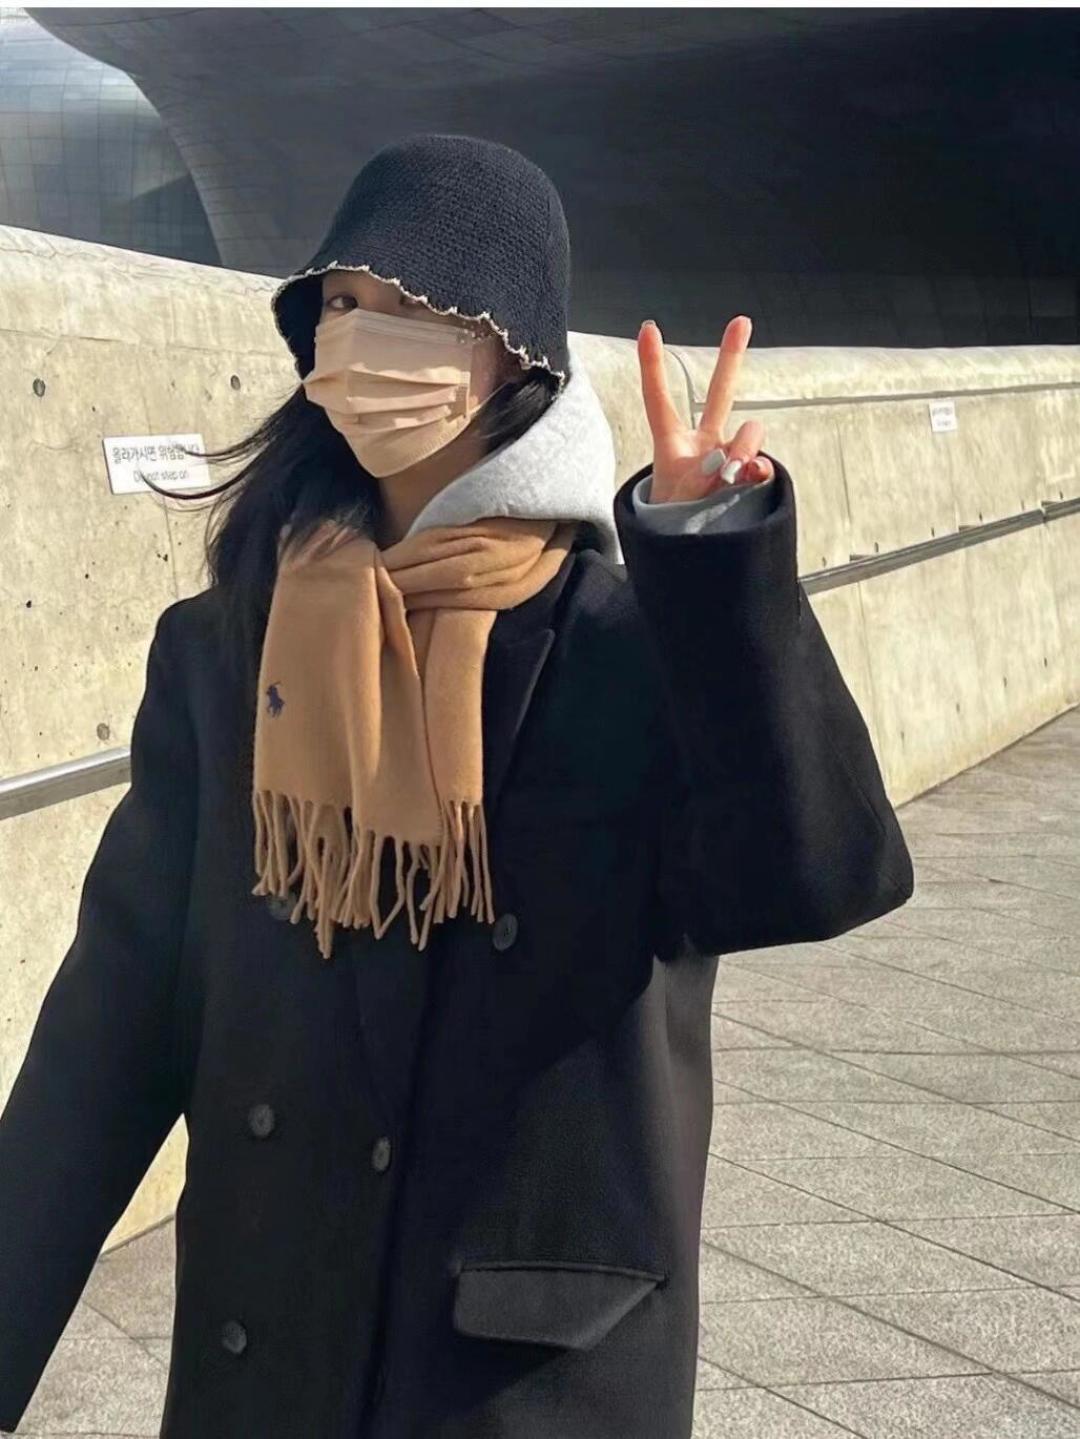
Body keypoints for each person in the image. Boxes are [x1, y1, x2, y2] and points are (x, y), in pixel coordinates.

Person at [0, 133, 913, 1438]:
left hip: (523, 1379)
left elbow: (816, 877)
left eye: (416, 308)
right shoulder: (221, 654)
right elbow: (114, 1028)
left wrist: (712, 564)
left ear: (510, 353)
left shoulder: (629, 647)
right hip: (268, 1356)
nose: (363, 341)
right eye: (342, 303)